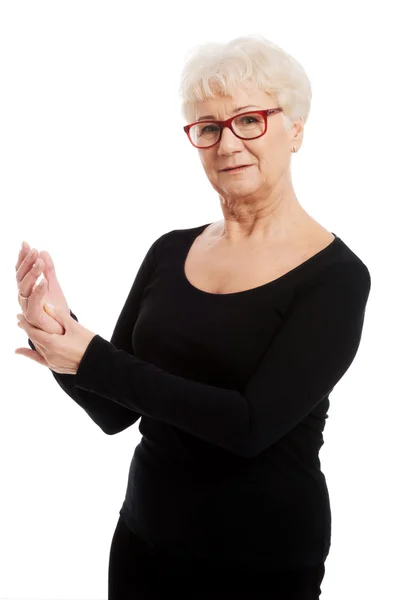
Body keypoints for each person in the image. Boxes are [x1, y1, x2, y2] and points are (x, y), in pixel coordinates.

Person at [15, 35, 371, 599]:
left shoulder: (336, 277)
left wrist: (91, 356)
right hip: (143, 541)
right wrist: (60, 330)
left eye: (248, 119)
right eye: (207, 127)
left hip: (261, 564)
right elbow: (113, 409)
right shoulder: (169, 249)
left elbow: (249, 426)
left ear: (296, 129)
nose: (227, 142)